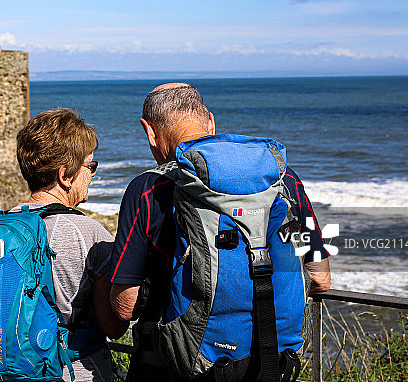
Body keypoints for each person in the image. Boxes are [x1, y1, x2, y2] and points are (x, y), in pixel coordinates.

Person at [108, 83, 331, 381]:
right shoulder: (283, 180)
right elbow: (320, 277)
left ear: (150, 131)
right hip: (271, 365)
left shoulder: (148, 189)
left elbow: (124, 305)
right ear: (211, 122)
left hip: (180, 368)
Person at [13, 108, 129, 382]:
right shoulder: (89, 233)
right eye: (91, 166)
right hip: (73, 372)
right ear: (66, 176)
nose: (93, 175)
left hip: (12, 369)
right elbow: (113, 326)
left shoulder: (0, 226)